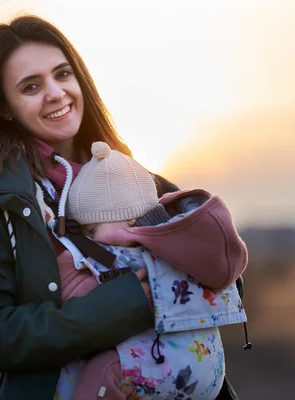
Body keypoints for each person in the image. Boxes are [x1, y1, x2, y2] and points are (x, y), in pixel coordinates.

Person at [0, 14, 242, 400]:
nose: (56, 93)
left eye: (63, 74)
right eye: (31, 86)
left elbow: (224, 275)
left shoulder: (137, 180)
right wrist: (126, 304)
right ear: (5, 107)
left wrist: (187, 268)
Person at [38, 141, 247, 399]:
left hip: (164, 367)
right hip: (210, 367)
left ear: (127, 219)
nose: (86, 236)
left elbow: (71, 295)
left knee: (101, 373)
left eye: (90, 229)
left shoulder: (118, 255)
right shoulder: (184, 246)